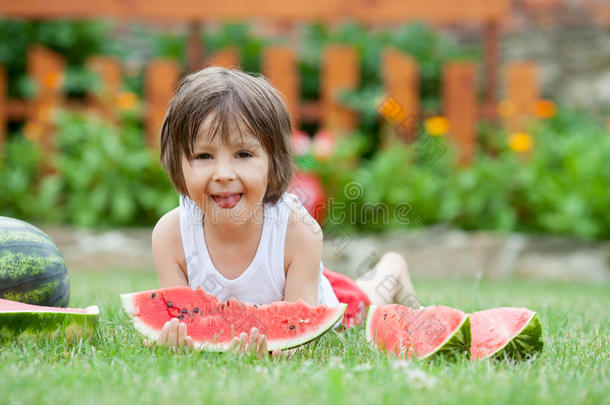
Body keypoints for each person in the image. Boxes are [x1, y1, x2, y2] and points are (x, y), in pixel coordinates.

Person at [151, 66, 418, 358]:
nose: (224, 174)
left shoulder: (298, 231)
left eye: (243, 154)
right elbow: (181, 321)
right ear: (177, 163)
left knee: (363, 300)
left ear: (273, 161)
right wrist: (175, 337)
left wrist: (280, 349)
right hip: (287, 278)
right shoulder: (170, 235)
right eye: (203, 156)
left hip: (311, 293)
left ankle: (391, 267)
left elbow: (298, 335)